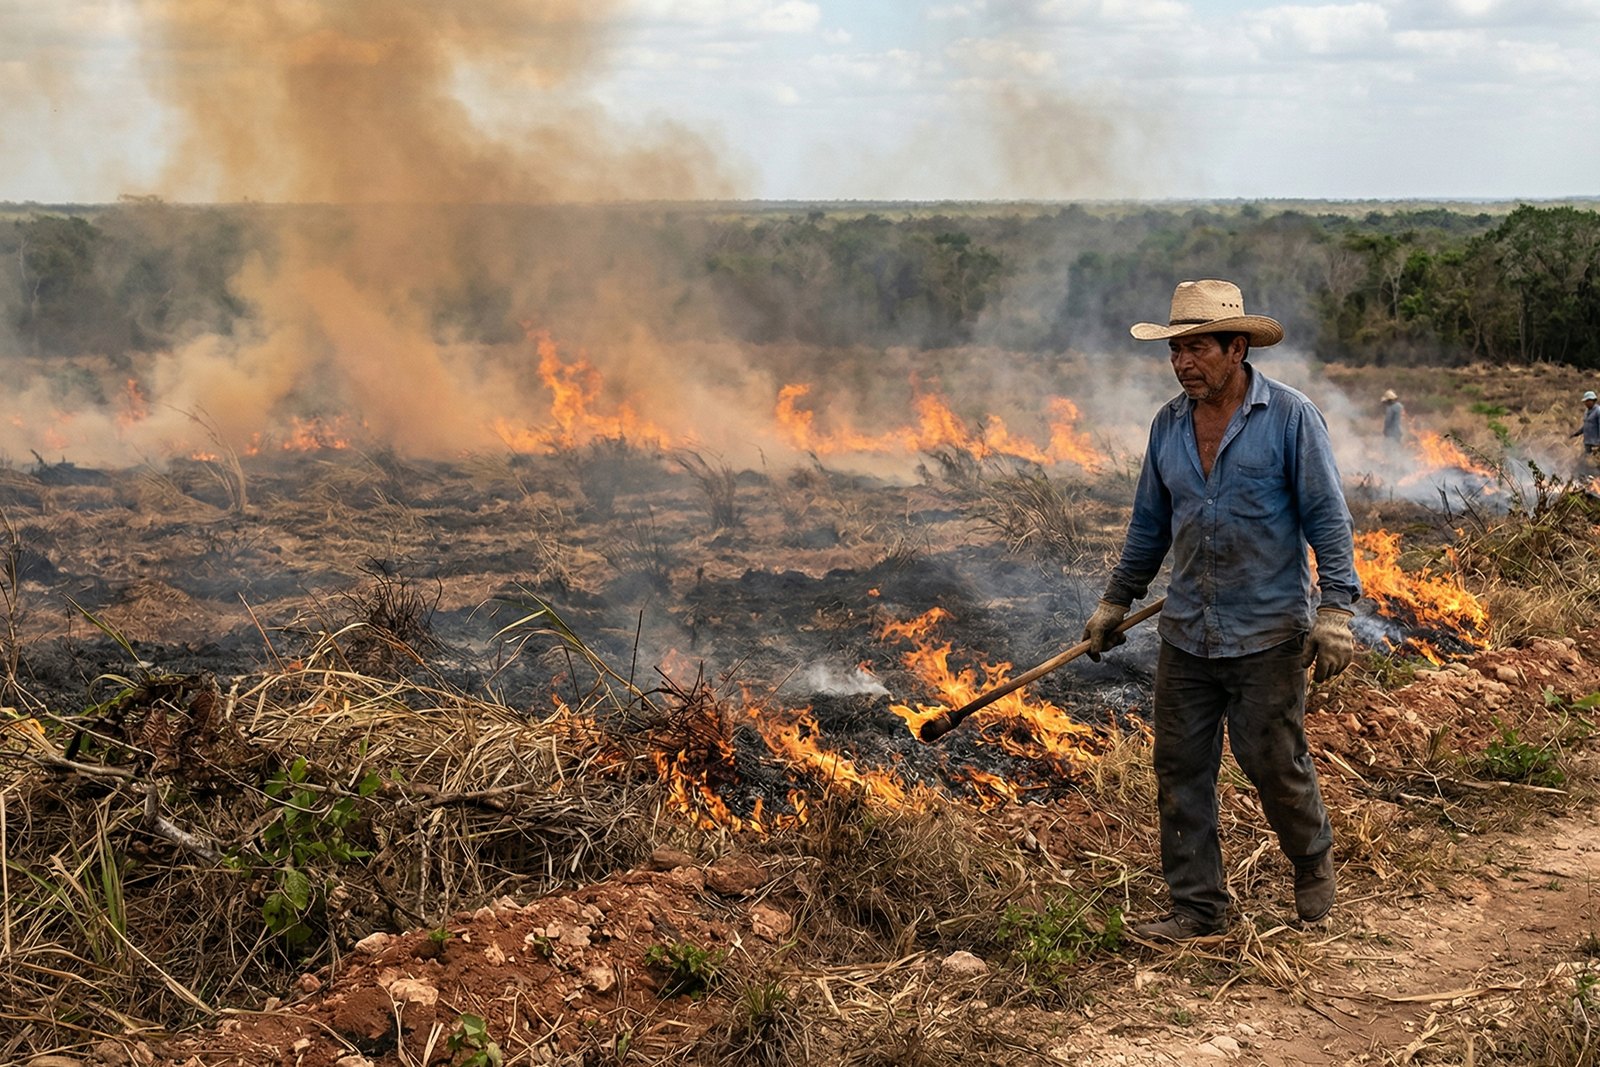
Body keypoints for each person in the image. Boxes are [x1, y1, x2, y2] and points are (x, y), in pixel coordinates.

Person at [1083, 279, 1362, 941]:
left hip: (1268, 631)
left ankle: (1311, 856)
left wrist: (1337, 611)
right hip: (1187, 633)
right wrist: (1114, 600)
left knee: (1272, 759)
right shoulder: (1167, 426)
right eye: (1176, 349)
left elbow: (1328, 518)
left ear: (1237, 347)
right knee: (1180, 768)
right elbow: (1149, 526)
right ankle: (1198, 906)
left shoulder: (1291, 419)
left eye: (1197, 348)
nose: (1183, 362)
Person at [1573, 390, 1600, 463]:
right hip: (1588, 442)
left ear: (1594, 400)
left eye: (1589, 401)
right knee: (1583, 461)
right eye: (1586, 401)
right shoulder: (1587, 411)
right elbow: (1586, 425)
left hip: (1596, 443)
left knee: (1594, 463)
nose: (1587, 403)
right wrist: (1577, 433)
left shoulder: (1598, 411)